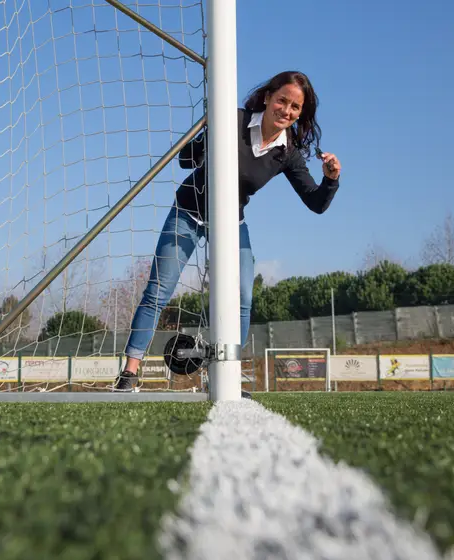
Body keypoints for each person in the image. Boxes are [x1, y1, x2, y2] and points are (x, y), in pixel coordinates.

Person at [113, 70, 342, 393]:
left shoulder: (287, 153)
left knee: (243, 298)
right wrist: (208, 135)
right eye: (282, 101)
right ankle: (129, 373)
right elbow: (184, 160)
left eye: (295, 108)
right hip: (189, 211)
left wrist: (331, 179)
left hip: (231, 223)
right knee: (158, 291)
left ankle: (227, 374)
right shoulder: (232, 119)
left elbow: (315, 203)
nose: (286, 111)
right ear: (267, 97)